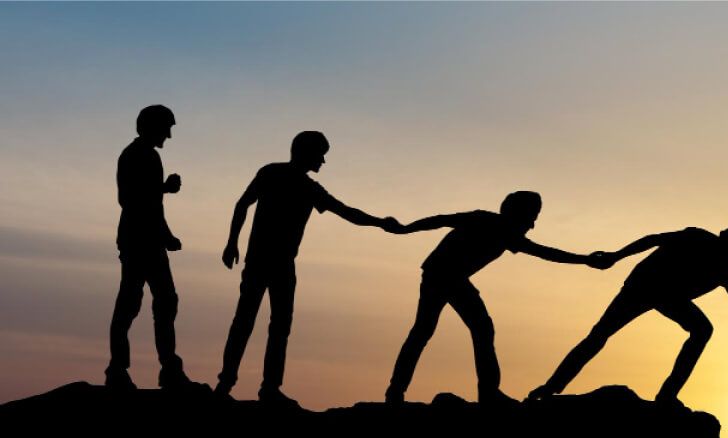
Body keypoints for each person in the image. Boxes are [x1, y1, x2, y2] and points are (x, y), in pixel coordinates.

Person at [527, 219, 728, 407]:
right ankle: (551, 387)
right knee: (600, 335)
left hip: (668, 296)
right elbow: (653, 239)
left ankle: (666, 396)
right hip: (643, 286)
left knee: (701, 330)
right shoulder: (697, 238)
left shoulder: (726, 270)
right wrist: (616, 255)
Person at [214, 131, 400, 406]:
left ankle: (260, 387)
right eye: (320, 154)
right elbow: (243, 204)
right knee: (254, 322)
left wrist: (379, 223)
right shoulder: (291, 181)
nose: (323, 161)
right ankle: (237, 384)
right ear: (307, 153)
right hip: (267, 262)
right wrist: (231, 243)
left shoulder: (294, 182)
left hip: (275, 263)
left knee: (268, 324)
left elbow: (346, 212)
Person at [384, 191, 604, 406]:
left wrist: (584, 260)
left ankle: (398, 391)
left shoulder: (504, 231)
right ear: (517, 213)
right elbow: (441, 220)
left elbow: (543, 252)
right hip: (444, 275)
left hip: (446, 276)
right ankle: (486, 393)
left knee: (430, 331)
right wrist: (404, 229)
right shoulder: (488, 222)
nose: (532, 225)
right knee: (462, 329)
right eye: (532, 217)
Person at [106, 104, 196, 391]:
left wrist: (167, 237)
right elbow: (129, 199)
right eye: (166, 128)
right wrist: (164, 189)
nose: (168, 135)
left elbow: (154, 208)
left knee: (166, 301)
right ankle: (118, 369)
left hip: (152, 241)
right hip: (135, 241)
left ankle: (169, 368)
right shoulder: (133, 155)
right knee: (130, 304)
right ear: (152, 127)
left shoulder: (151, 157)